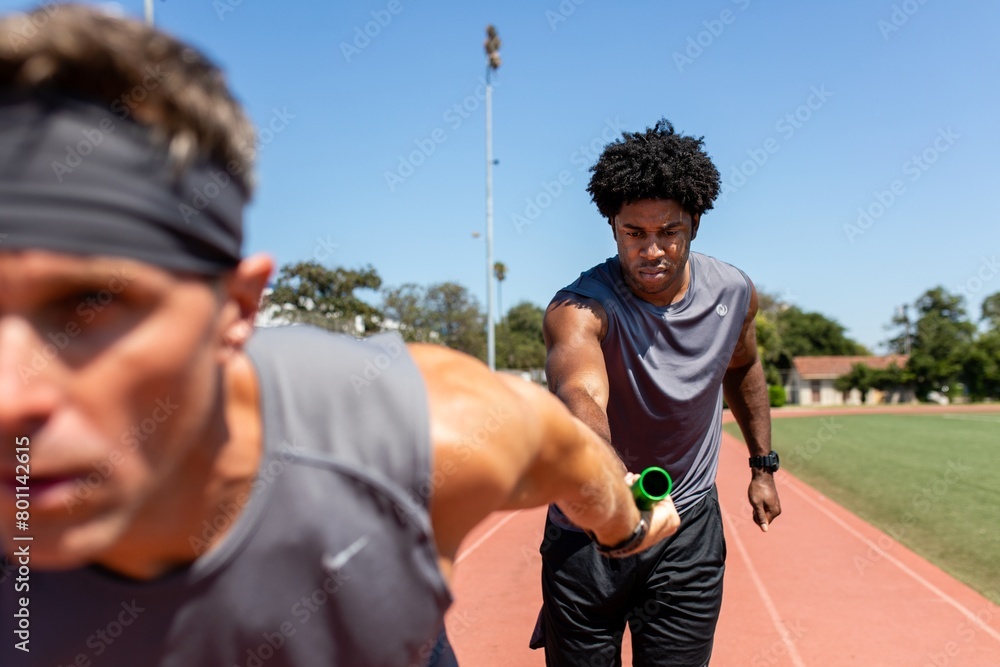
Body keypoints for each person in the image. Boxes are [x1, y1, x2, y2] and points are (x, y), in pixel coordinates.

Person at [0, 6, 682, 666]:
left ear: (236, 309)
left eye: (91, 303)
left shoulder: (415, 438)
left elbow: (563, 450)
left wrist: (624, 523)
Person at [529, 119, 782, 666]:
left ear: (694, 223)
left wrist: (762, 465)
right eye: (633, 234)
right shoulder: (578, 308)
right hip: (588, 528)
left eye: (669, 231)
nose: (652, 251)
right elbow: (579, 394)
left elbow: (743, 367)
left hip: (686, 525)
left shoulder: (734, 292)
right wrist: (616, 484)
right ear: (612, 228)